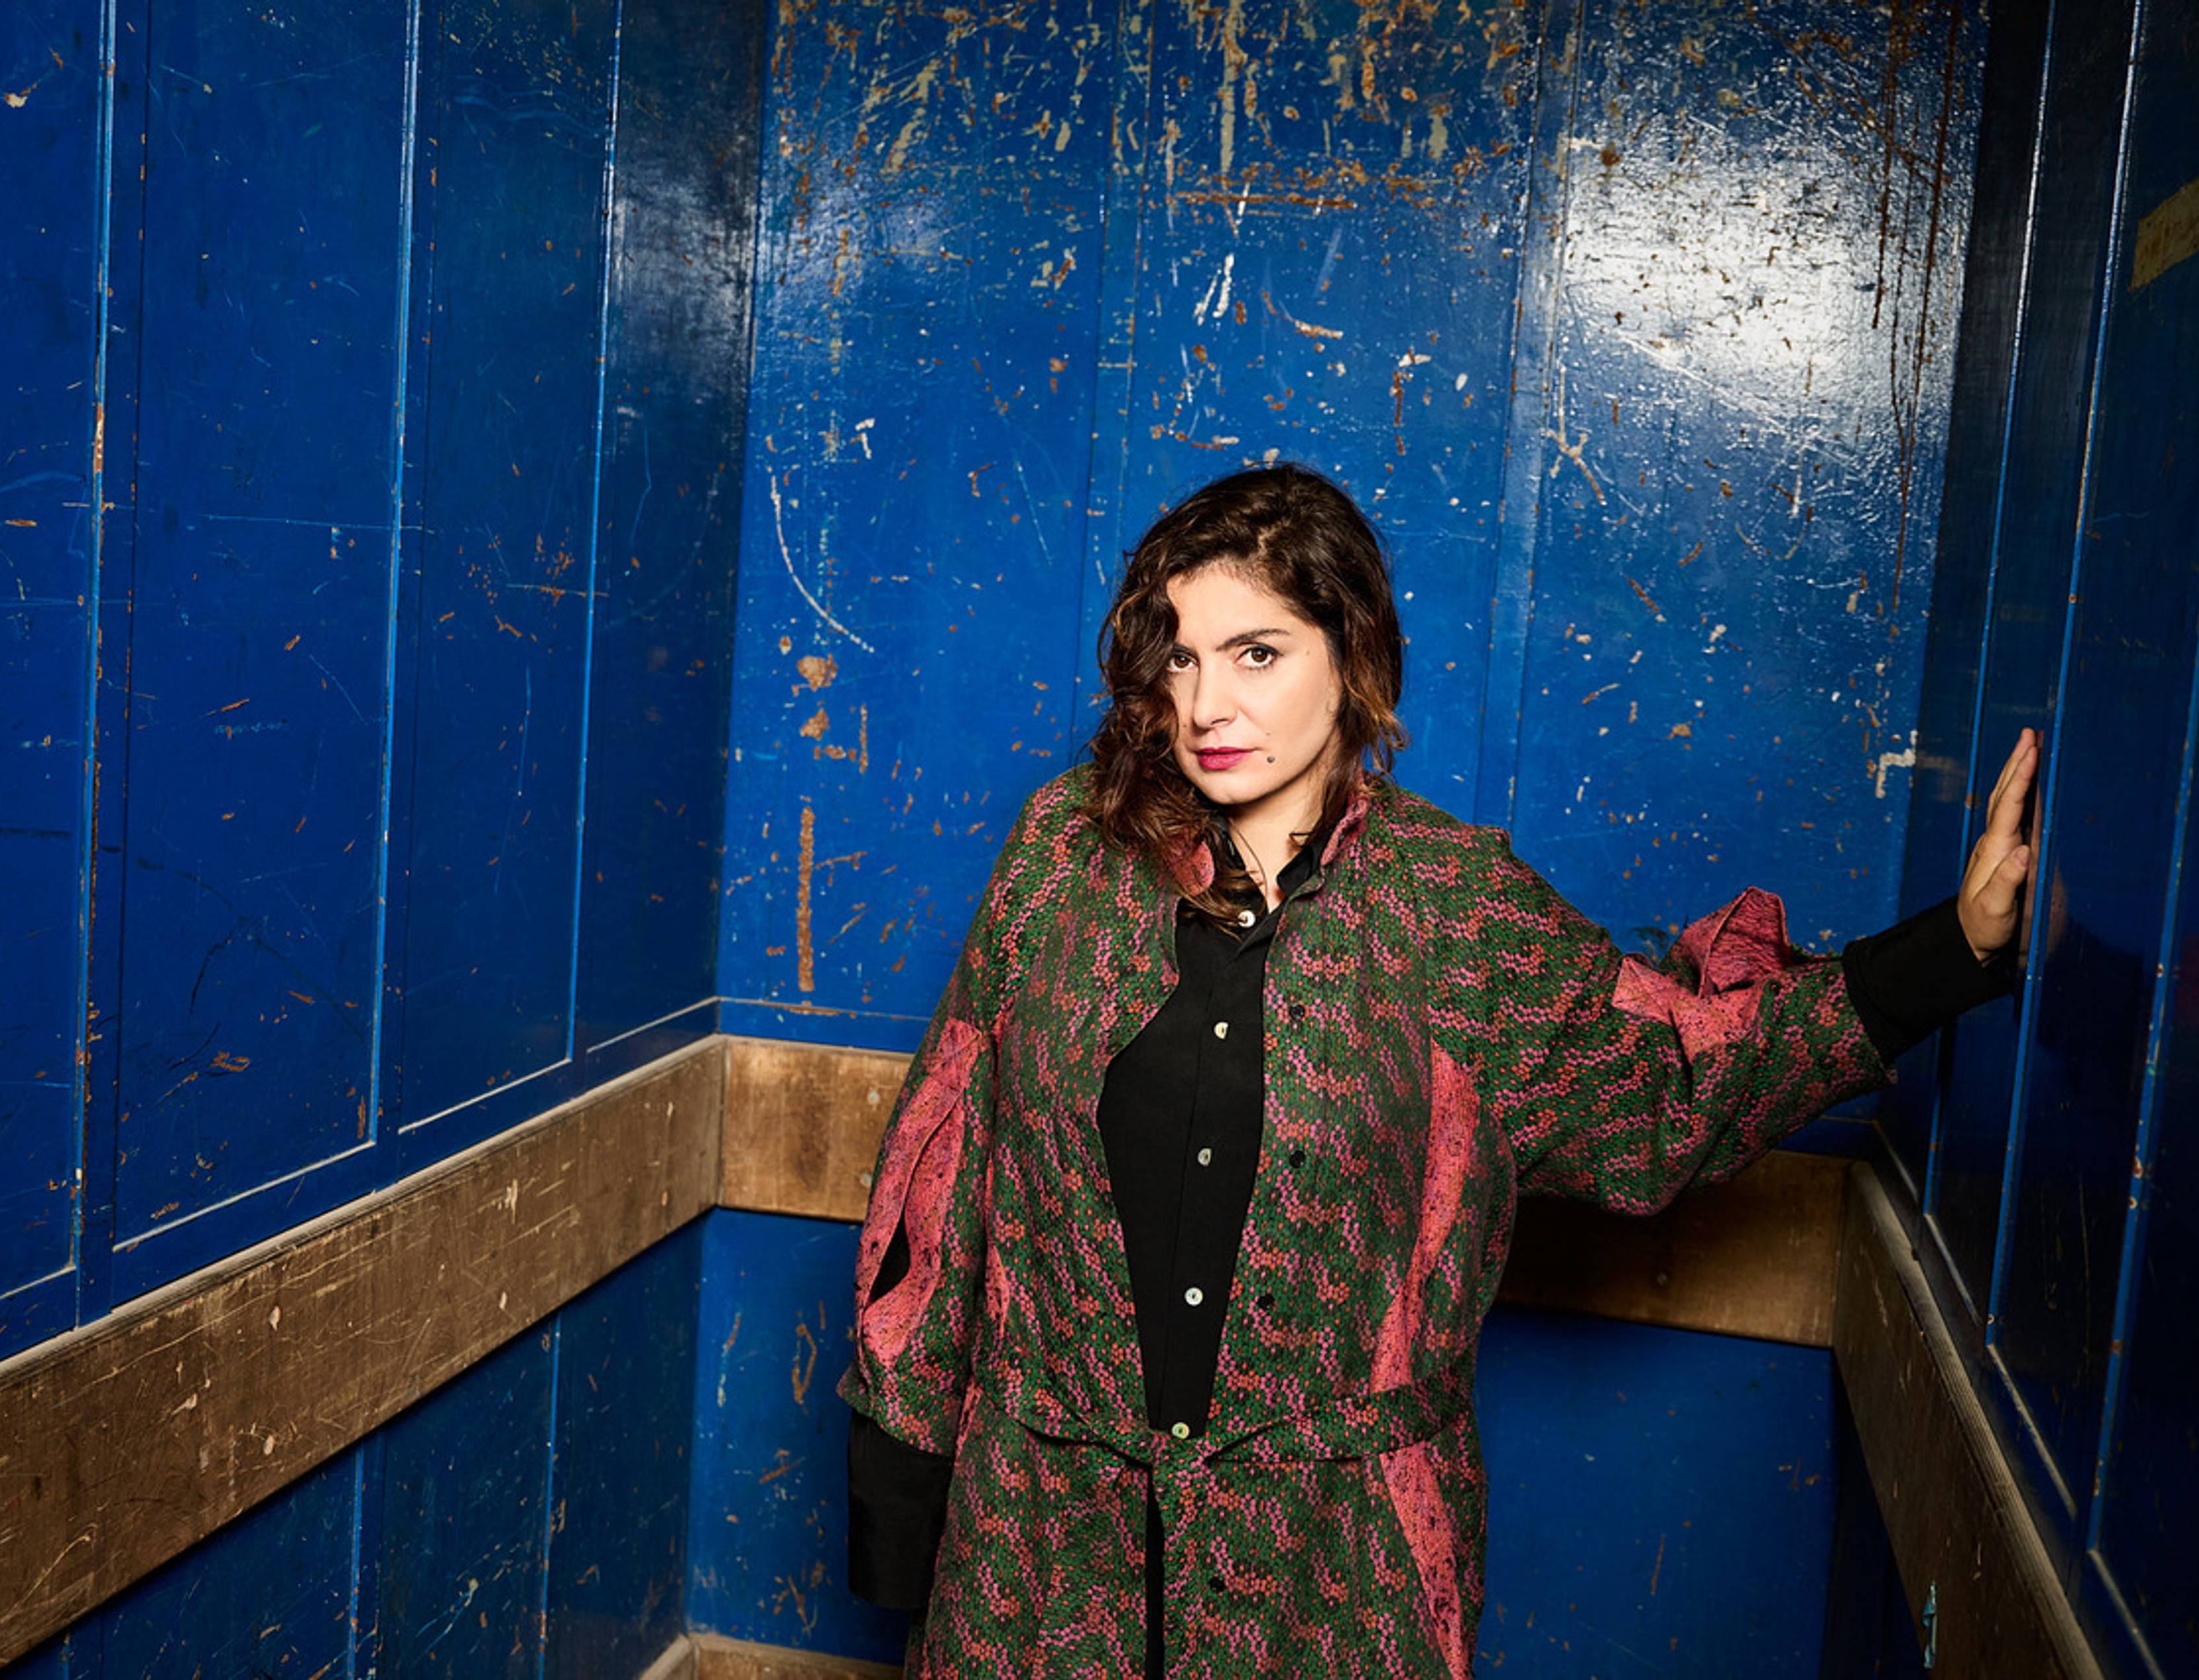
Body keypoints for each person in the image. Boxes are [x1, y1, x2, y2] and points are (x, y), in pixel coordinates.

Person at [838, 463, 2036, 1679]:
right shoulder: (1060, 852)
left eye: (1257, 654)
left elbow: (1667, 1085)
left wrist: (1954, 952)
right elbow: (943, 1165)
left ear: (1349, 655)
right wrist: (901, 1469)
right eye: (1181, 657)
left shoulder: (1451, 906)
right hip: (1042, 1551)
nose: (1207, 702)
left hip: (1334, 1575)